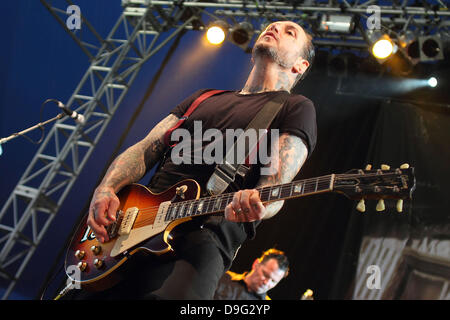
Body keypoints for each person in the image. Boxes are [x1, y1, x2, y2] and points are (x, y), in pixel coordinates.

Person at [73, 20, 316, 300]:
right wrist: (106, 188)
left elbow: (275, 187)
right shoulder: (204, 97)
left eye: (290, 32)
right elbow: (144, 149)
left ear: (300, 65)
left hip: (201, 241)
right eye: (272, 25)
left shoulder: (295, 108)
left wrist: (258, 203)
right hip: (128, 231)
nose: (274, 29)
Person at [214, 248, 289, 300]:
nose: (266, 283)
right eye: (265, 275)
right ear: (256, 264)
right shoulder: (220, 277)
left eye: (273, 281)